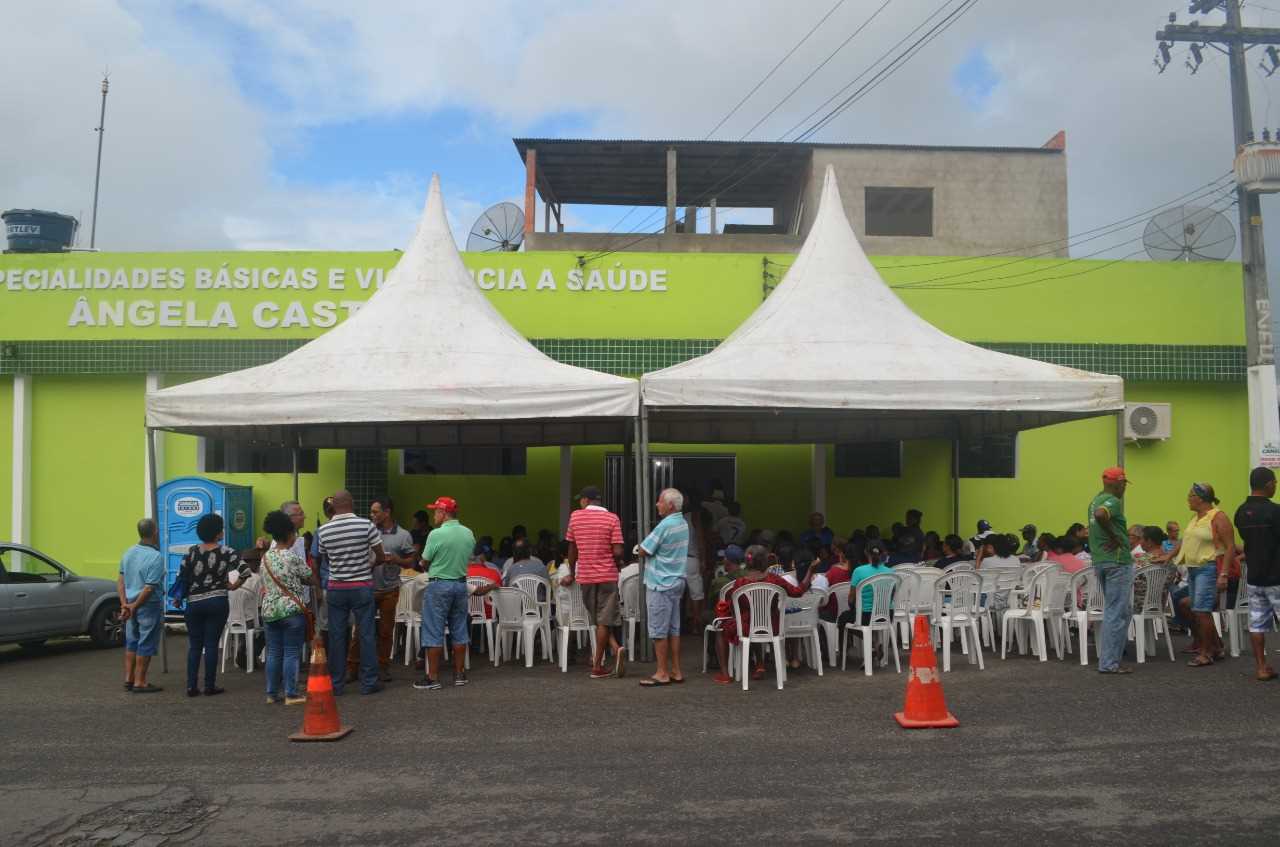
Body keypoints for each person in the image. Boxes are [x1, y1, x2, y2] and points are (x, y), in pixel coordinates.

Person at [712, 544, 815, 684]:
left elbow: (733, 609)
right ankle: (759, 665)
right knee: (754, 621)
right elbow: (798, 592)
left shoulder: (740, 583)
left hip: (747, 628)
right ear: (765, 561)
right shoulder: (774, 579)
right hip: (772, 626)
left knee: (721, 627)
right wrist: (810, 571)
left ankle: (725, 674)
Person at [316, 489, 385, 696]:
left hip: (336, 588)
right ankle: (369, 682)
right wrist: (368, 565)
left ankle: (336, 684)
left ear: (334, 506)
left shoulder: (324, 530)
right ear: (352, 504)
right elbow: (380, 556)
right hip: (361, 586)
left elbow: (325, 559)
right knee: (366, 634)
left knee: (337, 636)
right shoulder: (366, 525)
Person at [179, 513, 250, 697]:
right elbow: (246, 571)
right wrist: (234, 585)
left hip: (194, 602)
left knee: (195, 645)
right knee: (211, 644)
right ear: (218, 533)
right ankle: (209, 685)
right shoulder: (228, 552)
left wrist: (180, 597)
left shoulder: (190, 552)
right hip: (217, 601)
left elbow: (182, 578)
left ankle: (191, 686)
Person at [415, 496, 480, 690]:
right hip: (460, 585)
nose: (434, 515)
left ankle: (433, 677)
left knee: (433, 630)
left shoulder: (436, 534)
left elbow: (425, 561)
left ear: (443, 513)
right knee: (459, 629)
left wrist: (423, 563)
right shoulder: (468, 533)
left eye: (436, 511)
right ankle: (459, 674)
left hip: (439, 585)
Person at [563, 485, 626, 679]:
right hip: (607, 576)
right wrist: (617, 562)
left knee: (599, 620)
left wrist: (572, 572)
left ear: (585, 500)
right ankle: (614, 649)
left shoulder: (575, 516)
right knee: (603, 620)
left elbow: (572, 550)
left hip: (587, 576)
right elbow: (617, 551)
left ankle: (598, 665)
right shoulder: (612, 518)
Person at [349, 496, 414, 684]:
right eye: (372, 512)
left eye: (375, 512)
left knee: (386, 632)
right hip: (367, 587)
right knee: (360, 630)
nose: (372, 515)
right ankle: (352, 668)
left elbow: (411, 560)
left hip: (390, 589)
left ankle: (383, 667)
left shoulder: (403, 535)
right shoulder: (367, 531)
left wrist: (397, 560)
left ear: (387, 512)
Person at [1170, 482, 1236, 667]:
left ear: (1200, 498)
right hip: (1192, 569)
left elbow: (1230, 546)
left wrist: (1223, 574)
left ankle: (1206, 653)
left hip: (1208, 568)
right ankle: (1215, 645)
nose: (1187, 499)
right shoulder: (1196, 518)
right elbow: (1185, 541)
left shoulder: (1218, 517)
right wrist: (1168, 555)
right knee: (1187, 606)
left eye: (1190, 496)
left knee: (1201, 610)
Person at [259, 509, 320, 705]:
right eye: (294, 534)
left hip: (269, 611)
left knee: (274, 652)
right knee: (291, 652)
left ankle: (271, 693)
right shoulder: (292, 558)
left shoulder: (266, 558)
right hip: (291, 610)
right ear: (288, 535)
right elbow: (310, 578)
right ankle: (291, 693)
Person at [636, 488, 689, 687]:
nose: (657, 504)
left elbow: (643, 550)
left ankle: (661, 672)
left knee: (659, 631)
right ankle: (676, 670)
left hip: (661, 583)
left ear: (670, 505)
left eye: (659, 501)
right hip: (677, 581)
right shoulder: (683, 523)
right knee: (674, 629)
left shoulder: (665, 525)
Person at [1233, 467, 1280, 681]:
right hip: (1277, 577)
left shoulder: (1241, 512)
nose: (1276, 486)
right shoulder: (1275, 511)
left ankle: (1261, 668)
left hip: (1254, 577)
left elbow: (1248, 542)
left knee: (1257, 623)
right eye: (1275, 483)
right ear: (1269, 484)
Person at [1089, 467, 1135, 674]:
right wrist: (1116, 537)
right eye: (1123, 483)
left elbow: (1097, 515)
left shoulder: (1095, 500)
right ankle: (1109, 662)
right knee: (1116, 612)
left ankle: (1114, 655)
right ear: (1116, 483)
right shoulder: (1112, 502)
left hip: (1101, 561)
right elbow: (1101, 516)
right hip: (1117, 562)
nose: (1125, 487)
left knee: (1123, 611)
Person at [117, 518, 164, 694]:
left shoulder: (128, 552)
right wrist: (135, 605)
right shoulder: (156, 557)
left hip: (129, 603)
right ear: (155, 533)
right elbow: (150, 587)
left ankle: (128, 678)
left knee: (132, 641)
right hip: (147, 605)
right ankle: (140, 681)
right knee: (146, 641)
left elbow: (121, 580)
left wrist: (125, 604)